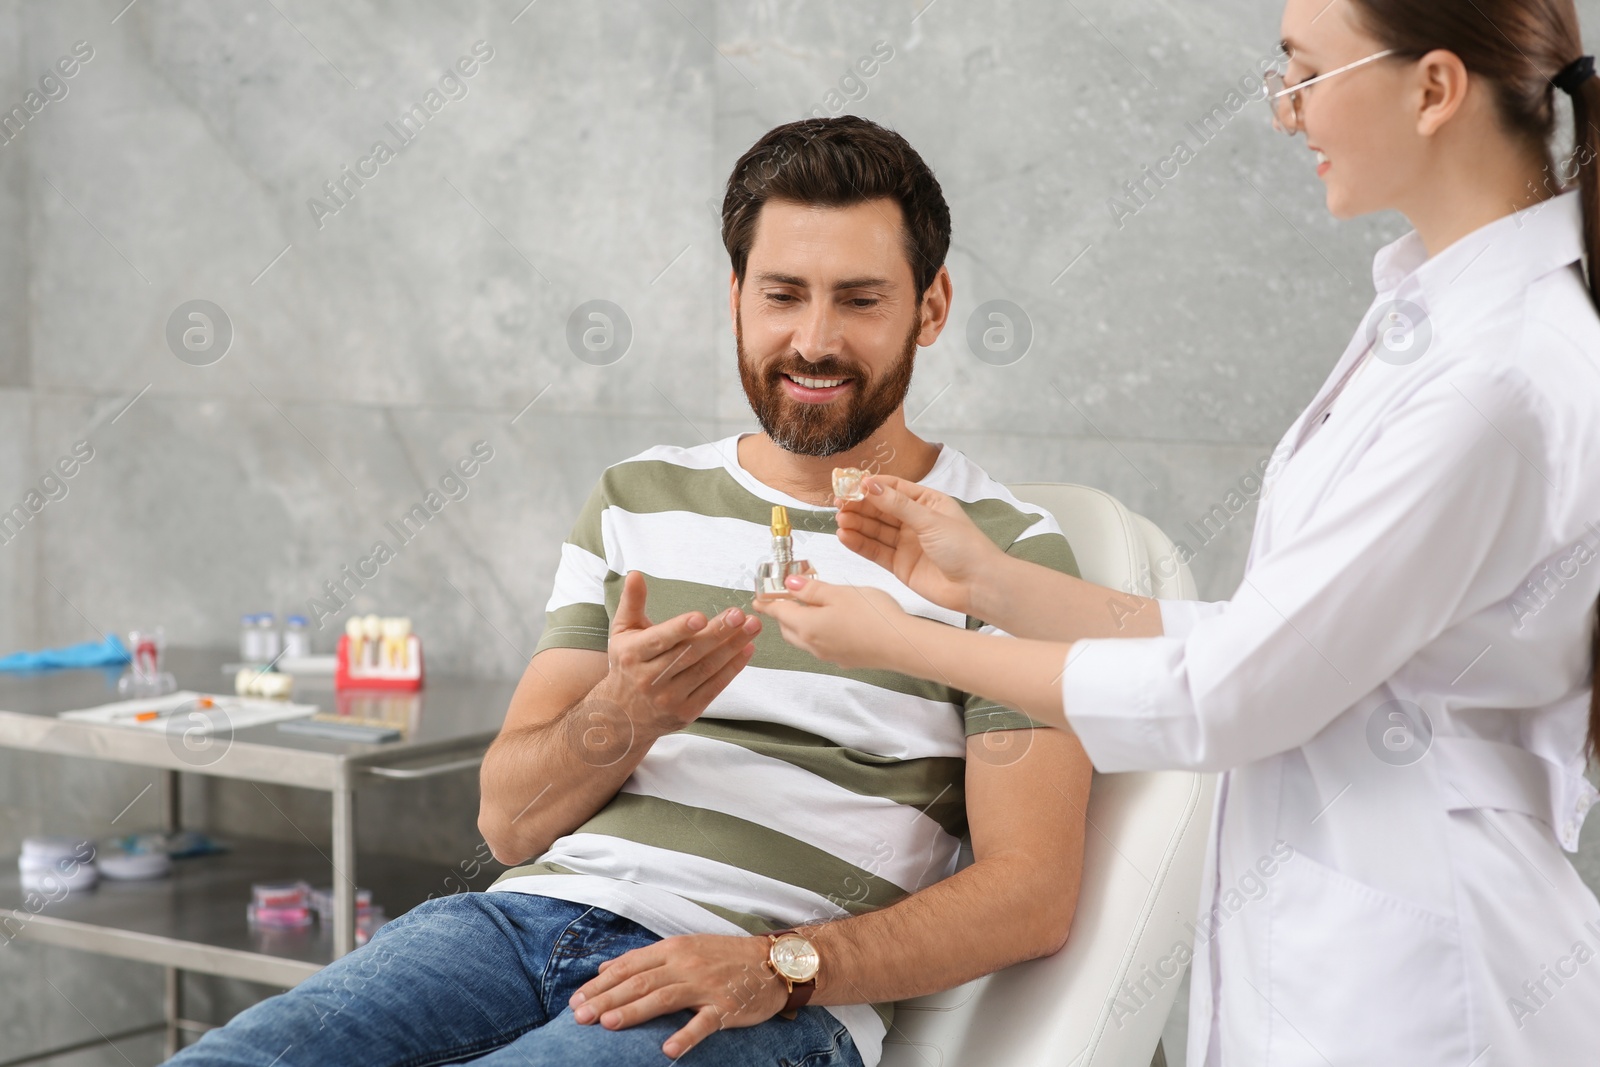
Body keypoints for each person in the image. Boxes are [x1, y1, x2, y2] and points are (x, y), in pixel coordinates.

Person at [756, 1, 1600, 1064]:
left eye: (1302, 74)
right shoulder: (1438, 322)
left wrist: (902, 637)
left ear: (1433, 88)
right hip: (1340, 933)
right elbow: (1271, 634)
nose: (1287, 115)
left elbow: (1236, 691)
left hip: (1423, 978)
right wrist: (989, 579)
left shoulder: (1494, 379)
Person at [165, 116, 1091, 1067]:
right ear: (736, 297)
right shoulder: (636, 499)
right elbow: (509, 820)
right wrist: (629, 711)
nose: (814, 340)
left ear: (931, 307)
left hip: (752, 995)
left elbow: (1032, 890)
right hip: (514, 927)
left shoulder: (1003, 554)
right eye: (782, 295)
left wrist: (781, 965)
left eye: (859, 300)